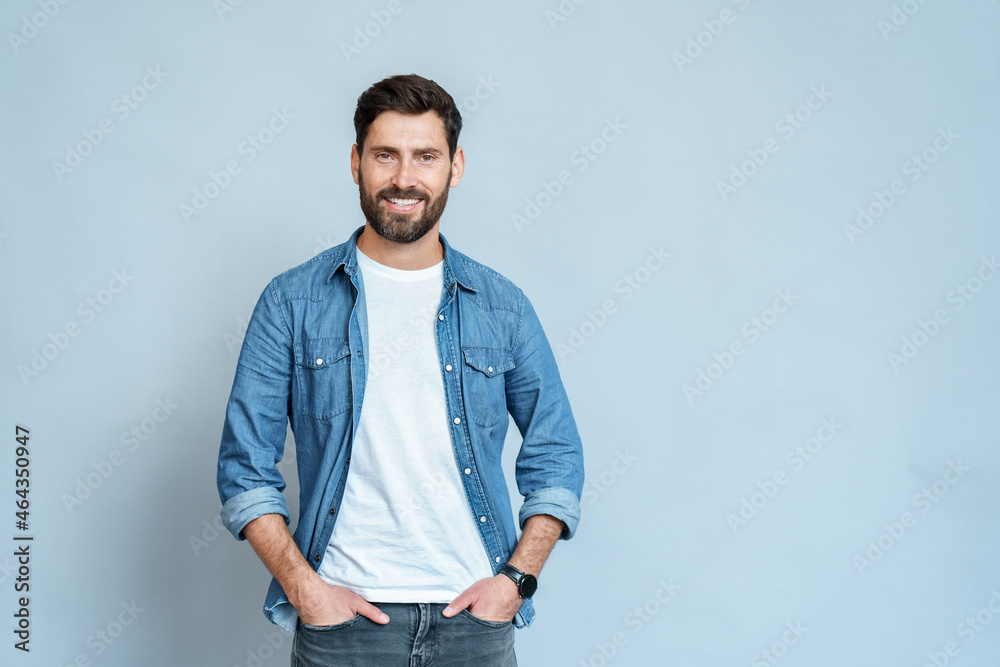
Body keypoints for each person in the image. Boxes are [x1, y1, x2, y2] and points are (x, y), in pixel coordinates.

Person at [216, 73, 585, 666]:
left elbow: (557, 454)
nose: (404, 178)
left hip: (475, 627)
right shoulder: (290, 302)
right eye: (386, 155)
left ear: (455, 166)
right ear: (356, 162)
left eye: (426, 156)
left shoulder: (502, 307)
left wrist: (515, 582)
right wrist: (304, 589)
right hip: (342, 629)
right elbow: (244, 469)